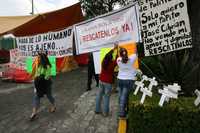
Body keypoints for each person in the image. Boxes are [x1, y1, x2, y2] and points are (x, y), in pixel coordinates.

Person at [29, 53, 56, 121]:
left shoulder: (47, 66)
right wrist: (36, 79)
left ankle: (53, 106)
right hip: (39, 85)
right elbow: (37, 74)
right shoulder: (38, 65)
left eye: (39, 58)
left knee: (49, 96)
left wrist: (41, 78)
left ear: (43, 59)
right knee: (36, 97)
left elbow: (48, 76)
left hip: (46, 84)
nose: (38, 59)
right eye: (38, 58)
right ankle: (34, 112)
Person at [95, 46, 118, 116]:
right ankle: (105, 113)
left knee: (99, 95)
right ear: (111, 58)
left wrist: (113, 49)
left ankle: (97, 110)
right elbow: (117, 59)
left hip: (101, 80)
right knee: (106, 97)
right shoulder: (112, 64)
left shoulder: (103, 61)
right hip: (108, 82)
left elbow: (108, 54)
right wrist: (117, 50)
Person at [117, 47, 137, 118]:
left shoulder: (118, 60)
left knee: (121, 96)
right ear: (126, 53)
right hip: (128, 80)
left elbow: (122, 57)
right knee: (124, 97)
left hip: (120, 80)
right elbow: (135, 52)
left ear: (120, 54)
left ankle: (122, 110)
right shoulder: (131, 59)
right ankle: (121, 113)